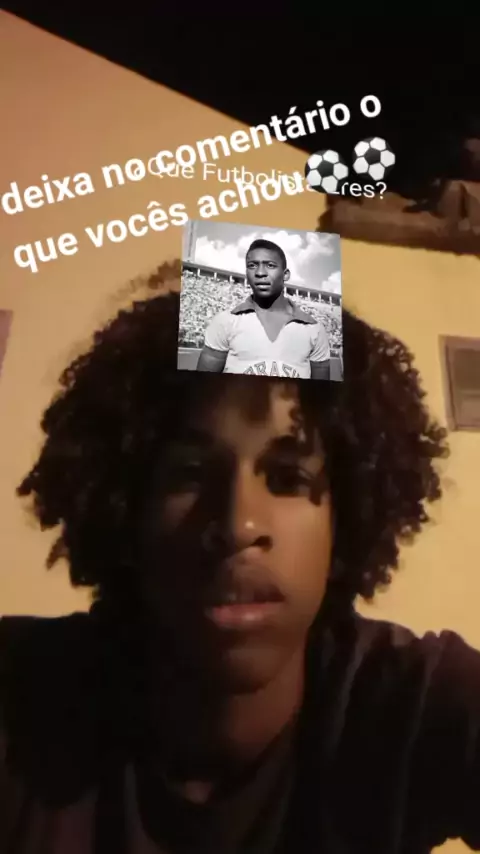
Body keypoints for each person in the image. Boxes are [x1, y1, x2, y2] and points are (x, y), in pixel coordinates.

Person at [1, 284, 480, 854]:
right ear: (126, 508)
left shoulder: (412, 704)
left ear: (346, 521)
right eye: (189, 473)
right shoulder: (20, 694)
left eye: (288, 477)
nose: (238, 525)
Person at [196, 239, 331, 380]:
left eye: (270, 265)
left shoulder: (314, 329)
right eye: (252, 265)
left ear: (285, 275)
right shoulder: (225, 322)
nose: (260, 272)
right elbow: (202, 386)